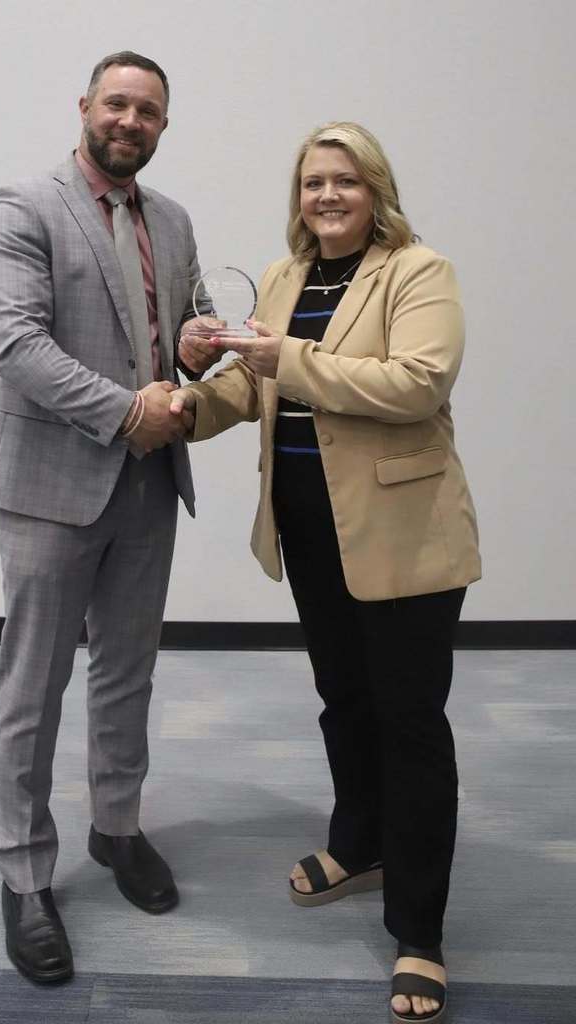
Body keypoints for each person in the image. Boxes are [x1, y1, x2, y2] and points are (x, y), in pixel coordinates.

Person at [172, 122, 481, 1022]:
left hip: (404, 536)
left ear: (374, 189)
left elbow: (417, 382)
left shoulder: (417, 271)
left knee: (408, 722)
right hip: (309, 532)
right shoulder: (283, 277)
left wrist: (289, 359)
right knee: (343, 701)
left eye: (344, 180)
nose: (327, 196)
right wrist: (188, 400)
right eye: (312, 182)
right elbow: (251, 386)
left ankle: (418, 933)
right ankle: (359, 842)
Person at [0, 50, 219, 983]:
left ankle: (116, 827)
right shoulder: (22, 206)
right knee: (31, 688)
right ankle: (24, 874)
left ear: (163, 125)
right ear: (84, 106)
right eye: (116, 103)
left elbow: (186, 327)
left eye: (147, 111)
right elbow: (15, 344)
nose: (129, 121)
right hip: (50, 483)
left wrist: (196, 345)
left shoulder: (175, 219)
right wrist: (124, 412)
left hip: (148, 485)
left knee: (127, 673)